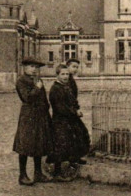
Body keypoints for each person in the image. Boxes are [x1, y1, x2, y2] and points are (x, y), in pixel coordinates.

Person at [14, 57, 53, 185]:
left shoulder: (37, 79)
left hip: (40, 115)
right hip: (28, 116)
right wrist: (37, 88)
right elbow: (27, 98)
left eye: (36, 67)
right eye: (32, 66)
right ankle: (22, 175)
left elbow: (43, 98)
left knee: (39, 143)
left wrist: (47, 110)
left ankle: (38, 173)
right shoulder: (21, 81)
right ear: (25, 67)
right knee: (25, 144)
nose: (34, 69)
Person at [48, 64, 83, 182]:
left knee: (71, 141)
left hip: (69, 119)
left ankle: (71, 164)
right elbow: (59, 107)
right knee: (60, 145)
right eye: (62, 74)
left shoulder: (66, 87)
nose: (65, 76)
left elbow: (73, 100)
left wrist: (77, 108)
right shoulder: (55, 89)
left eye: (67, 74)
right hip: (60, 120)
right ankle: (57, 173)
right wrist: (74, 112)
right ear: (57, 75)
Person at [65, 58, 90, 163]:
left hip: (73, 111)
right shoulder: (66, 79)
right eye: (73, 66)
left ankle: (76, 157)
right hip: (68, 112)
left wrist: (77, 108)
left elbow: (73, 97)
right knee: (75, 134)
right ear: (67, 67)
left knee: (80, 133)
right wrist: (75, 110)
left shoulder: (71, 79)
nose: (75, 69)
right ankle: (72, 159)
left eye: (77, 67)